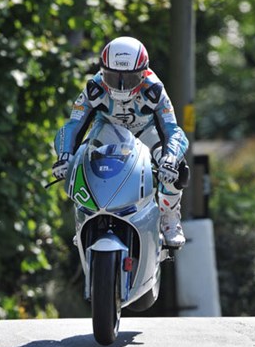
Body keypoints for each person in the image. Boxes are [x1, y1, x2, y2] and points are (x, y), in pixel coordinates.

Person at [51, 36, 189, 247]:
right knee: (80, 157)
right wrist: (64, 156)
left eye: (130, 78)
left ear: (143, 73)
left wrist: (170, 158)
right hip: (106, 130)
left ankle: (170, 217)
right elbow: (73, 125)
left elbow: (171, 129)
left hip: (145, 132)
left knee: (176, 166)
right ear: (102, 70)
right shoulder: (93, 88)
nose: (121, 86)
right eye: (113, 77)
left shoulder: (155, 90)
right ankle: (84, 218)